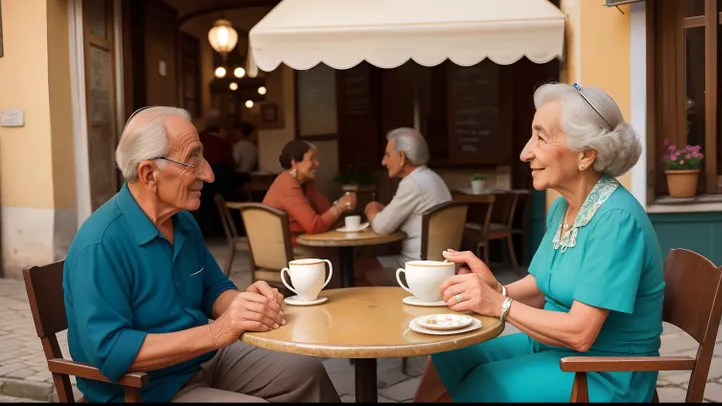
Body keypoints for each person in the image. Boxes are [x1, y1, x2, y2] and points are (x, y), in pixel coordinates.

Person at [62, 106, 340, 403]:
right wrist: (217, 333)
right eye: (192, 160)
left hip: (200, 359)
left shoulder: (181, 221)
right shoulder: (101, 244)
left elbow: (213, 287)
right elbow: (109, 350)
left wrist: (245, 305)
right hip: (146, 389)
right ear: (148, 174)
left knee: (308, 372)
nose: (207, 173)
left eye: (202, 156)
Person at [412, 83, 665, 402]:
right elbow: (540, 285)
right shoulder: (564, 206)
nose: (525, 152)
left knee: (486, 384)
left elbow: (580, 333)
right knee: (447, 352)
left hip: (605, 372)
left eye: (541, 138)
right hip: (555, 349)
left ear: (585, 155)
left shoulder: (616, 220)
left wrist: (497, 304)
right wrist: (493, 290)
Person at [262, 139, 356, 288]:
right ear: (294, 163)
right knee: (339, 257)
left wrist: (341, 206)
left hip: (298, 243)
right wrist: (339, 207)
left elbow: (326, 212)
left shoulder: (304, 183)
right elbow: (314, 225)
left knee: (348, 257)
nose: (317, 164)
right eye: (311, 159)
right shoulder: (287, 184)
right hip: (285, 251)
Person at [363, 128, 451, 272]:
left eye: (387, 155)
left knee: (360, 270)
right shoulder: (433, 177)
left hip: (418, 268)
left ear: (402, 157)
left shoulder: (413, 183)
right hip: (441, 265)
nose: (383, 162)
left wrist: (371, 209)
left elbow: (381, 227)